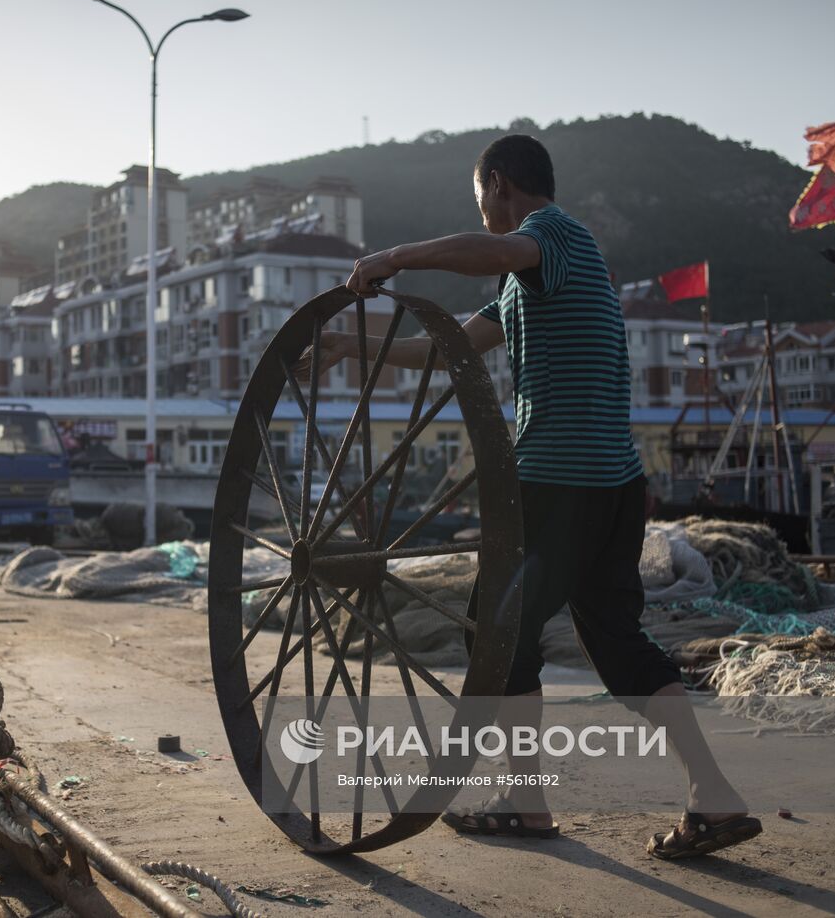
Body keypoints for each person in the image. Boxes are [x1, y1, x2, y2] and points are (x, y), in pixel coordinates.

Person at [296, 134, 759, 860]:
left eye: (480, 199)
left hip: (558, 480)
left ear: (501, 185)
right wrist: (350, 347)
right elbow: (448, 347)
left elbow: (493, 250)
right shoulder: (528, 282)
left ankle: (526, 801)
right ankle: (714, 796)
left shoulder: (554, 235)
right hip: (613, 485)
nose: (481, 213)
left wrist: (395, 257)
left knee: (497, 631)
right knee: (616, 640)